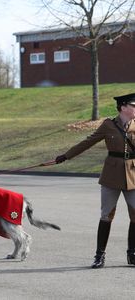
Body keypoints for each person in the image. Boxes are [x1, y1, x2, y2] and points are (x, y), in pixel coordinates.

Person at [55, 93, 135, 268]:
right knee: (106, 215)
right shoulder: (108, 125)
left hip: (133, 175)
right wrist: (66, 156)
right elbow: (87, 142)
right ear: (123, 107)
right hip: (111, 176)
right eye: (133, 105)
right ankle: (100, 256)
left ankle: (132, 254)